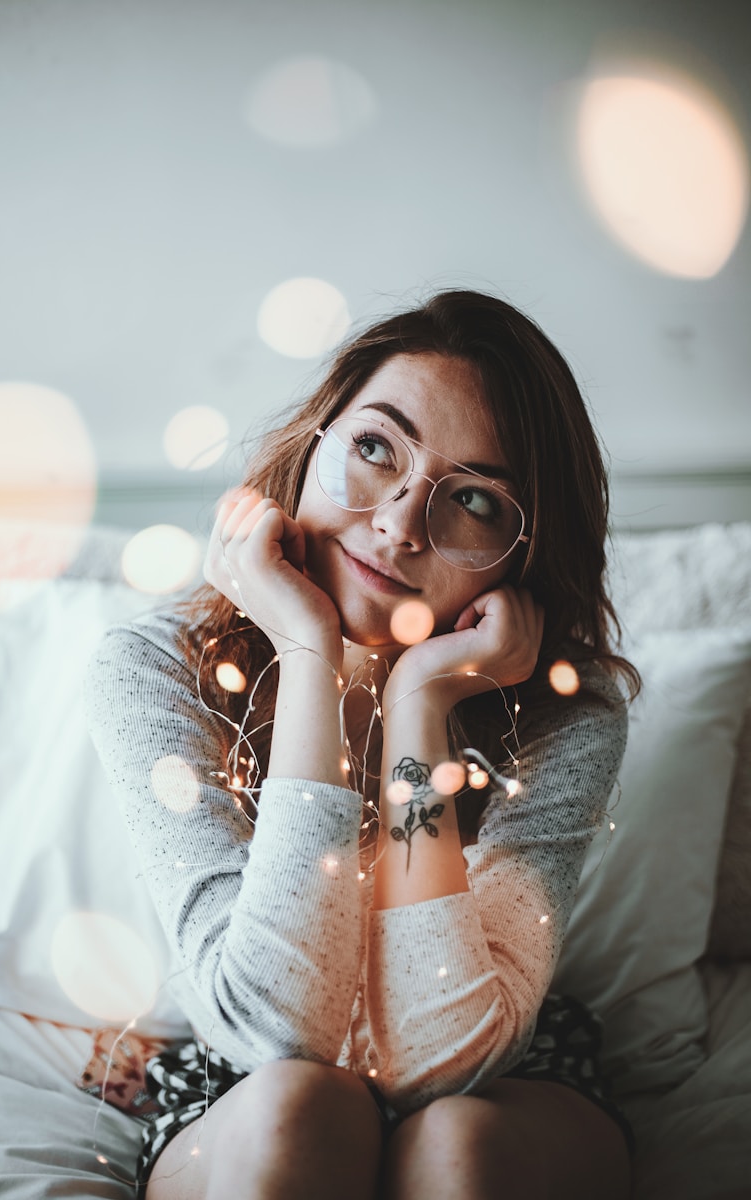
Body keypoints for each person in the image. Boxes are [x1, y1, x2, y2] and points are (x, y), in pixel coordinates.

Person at [86, 289, 638, 1200]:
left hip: (503, 1070)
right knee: (299, 1109)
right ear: (315, 443)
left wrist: (419, 708)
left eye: (471, 499)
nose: (397, 525)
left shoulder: (565, 716)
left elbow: (440, 1058)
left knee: (457, 1144)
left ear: (521, 558)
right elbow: (276, 1035)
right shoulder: (156, 672)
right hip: (240, 1074)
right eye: (376, 448)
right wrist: (311, 658)